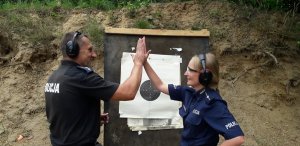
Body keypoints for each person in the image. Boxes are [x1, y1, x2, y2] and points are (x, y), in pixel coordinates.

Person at [44, 31, 148, 146]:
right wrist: (138, 62)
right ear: (72, 51)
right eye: (89, 50)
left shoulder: (55, 77)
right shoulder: (81, 77)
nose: (94, 54)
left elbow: (63, 112)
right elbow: (128, 92)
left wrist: (91, 119)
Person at [142, 40, 245, 146]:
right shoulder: (188, 92)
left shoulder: (212, 103)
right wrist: (144, 63)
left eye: (190, 70)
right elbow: (160, 85)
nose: (185, 73)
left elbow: (238, 138)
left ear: (205, 75)